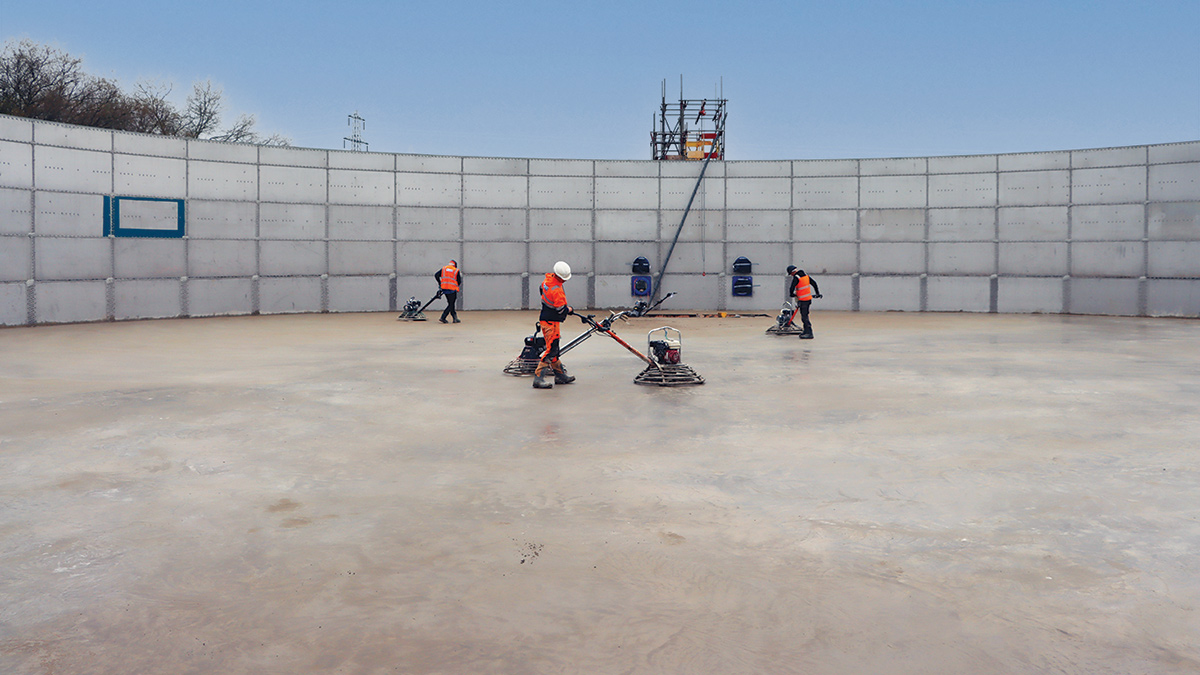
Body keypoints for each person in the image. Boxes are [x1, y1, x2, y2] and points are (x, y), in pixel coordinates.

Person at [533, 261, 577, 389]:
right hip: (550, 322)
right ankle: (538, 378)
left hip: (547, 319)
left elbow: (541, 291)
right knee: (551, 350)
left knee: (554, 349)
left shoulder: (547, 281)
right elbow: (561, 310)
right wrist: (570, 309)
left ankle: (560, 375)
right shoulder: (557, 290)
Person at [787, 265, 822, 339]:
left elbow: (791, 287)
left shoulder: (797, 277)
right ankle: (806, 331)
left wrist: (792, 294)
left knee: (804, 317)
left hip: (803, 301)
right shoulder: (806, 276)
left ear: (792, 272)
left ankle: (809, 333)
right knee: (804, 316)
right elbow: (814, 284)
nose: (791, 275)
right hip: (808, 299)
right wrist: (817, 293)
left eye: (790, 274)